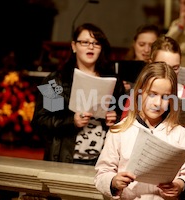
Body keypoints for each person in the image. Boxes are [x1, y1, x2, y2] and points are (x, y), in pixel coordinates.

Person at [94, 62, 185, 199]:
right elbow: (102, 173)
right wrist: (113, 181)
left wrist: (180, 185)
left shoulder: (179, 133)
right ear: (139, 93)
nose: (157, 103)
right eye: (152, 94)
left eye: (165, 97)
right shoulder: (119, 131)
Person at [31, 23, 125, 165]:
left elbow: (126, 120)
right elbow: (41, 121)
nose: (91, 46)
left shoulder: (113, 81)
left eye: (96, 43)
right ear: (74, 46)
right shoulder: (56, 81)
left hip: (102, 162)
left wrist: (115, 119)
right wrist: (71, 121)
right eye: (85, 42)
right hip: (64, 158)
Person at [122, 35, 185, 151]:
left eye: (175, 68)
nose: (170, 74)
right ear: (151, 64)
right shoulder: (139, 92)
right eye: (163, 67)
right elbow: (123, 131)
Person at [122, 24, 161, 94]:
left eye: (151, 46)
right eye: (142, 44)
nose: (146, 50)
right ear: (134, 44)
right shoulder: (122, 69)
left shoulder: (162, 71)